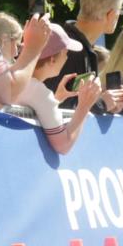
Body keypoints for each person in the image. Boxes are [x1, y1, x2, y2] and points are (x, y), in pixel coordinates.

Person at [45, 0, 123, 114]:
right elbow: (63, 105)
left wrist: (108, 106)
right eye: (121, 10)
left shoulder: (71, 44)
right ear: (111, 14)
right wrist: (102, 104)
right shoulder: (69, 48)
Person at [16, 24, 102, 154]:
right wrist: (84, 106)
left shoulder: (11, 77)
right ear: (52, 60)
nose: (67, 58)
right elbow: (63, 146)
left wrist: (57, 98)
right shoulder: (41, 94)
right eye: (66, 54)